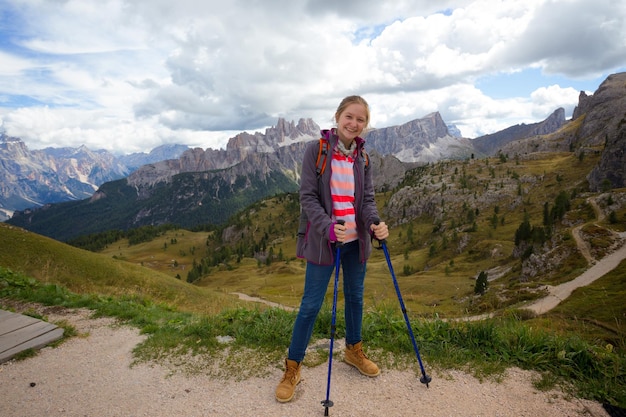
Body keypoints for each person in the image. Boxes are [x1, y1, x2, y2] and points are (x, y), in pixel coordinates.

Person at [275, 95, 389, 403]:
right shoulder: (316, 150)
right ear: (338, 117)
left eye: (360, 119)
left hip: (356, 242)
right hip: (325, 243)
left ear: (366, 124)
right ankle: (292, 367)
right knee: (310, 305)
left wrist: (376, 223)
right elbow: (308, 197)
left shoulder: (363, 157)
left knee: (354, 298)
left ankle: (353, 350)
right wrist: (328, 227)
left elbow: (366, 201)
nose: (354, 123)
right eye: (349, 117)